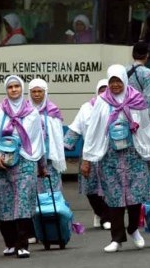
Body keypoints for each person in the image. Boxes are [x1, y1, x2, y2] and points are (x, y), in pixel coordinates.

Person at [81, 64, 150, 253]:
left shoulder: (137, 99)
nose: (115, 85)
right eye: (112, 81)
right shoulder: (102, 101)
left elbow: (146, 127)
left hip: (135, 154)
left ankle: (133, 229)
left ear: (125, 79)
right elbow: (94, 130)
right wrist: (87, 158)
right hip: (110, 156)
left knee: (135, 194)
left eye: (118, 81)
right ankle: (116, 238)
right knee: (114, 197)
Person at [0, 75, 46, 258]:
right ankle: (10, 243)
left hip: (25, 162)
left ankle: (22, 244)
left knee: (23, 202)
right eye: (10, 87)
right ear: (6, 90)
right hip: (1, 164)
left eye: (17, 86)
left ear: (22, 88)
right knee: (5, 204)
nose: (14, 90)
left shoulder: (32, 113)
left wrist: (42, 166)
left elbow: (37, 142)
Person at [64, 79, 111, 230]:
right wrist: (62, 148)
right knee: (90, 188)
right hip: (89, 153)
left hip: (109, 152)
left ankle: (106, 217)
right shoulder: (86, 108)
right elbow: (76, 127)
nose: (104, 93)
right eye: (101, 90)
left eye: (107, 90)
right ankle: (101, 212)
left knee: (110, 187)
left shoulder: (116, 107)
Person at [28, 78, 66, 193]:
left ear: (45, 92)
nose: (37, 94)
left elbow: (57, 137)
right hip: (30, 158)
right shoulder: (24, 110)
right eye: (34, 92)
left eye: (40, 91)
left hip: (49, 158)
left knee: (51, 190)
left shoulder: (53, 111)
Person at [126, 42, 150, 126]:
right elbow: (148, 97)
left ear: (133, 54)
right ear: (147, 55)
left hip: (127, 110)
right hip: (141, 111)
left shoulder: (125, 70)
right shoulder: (147, 72)